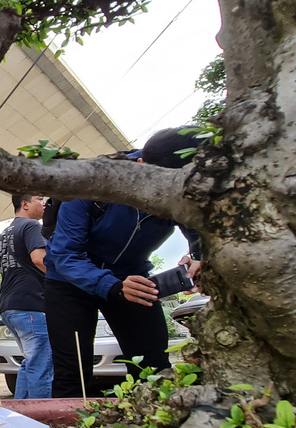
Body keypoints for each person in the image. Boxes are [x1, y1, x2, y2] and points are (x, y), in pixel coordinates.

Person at [43, 127, 204, 397]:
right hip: (69, 282)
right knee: (73, 374)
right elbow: (64, 255)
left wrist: (200, 255)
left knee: (154, 367)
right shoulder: (90, 184)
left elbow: (199, 227)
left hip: (134, 277)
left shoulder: (186, 184)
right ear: (140, 167)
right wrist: (114, 287)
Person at [0, 194, 53, 399]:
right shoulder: (31, 227)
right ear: (25, 204)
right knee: (41, 364)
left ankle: (22, 414)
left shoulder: (3, 235)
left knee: (31, 362)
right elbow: (40, 259)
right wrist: (68, 278)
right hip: (31, 304)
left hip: (9, 305)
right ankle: (44, 420)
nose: (44, 203)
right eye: (39, 199)